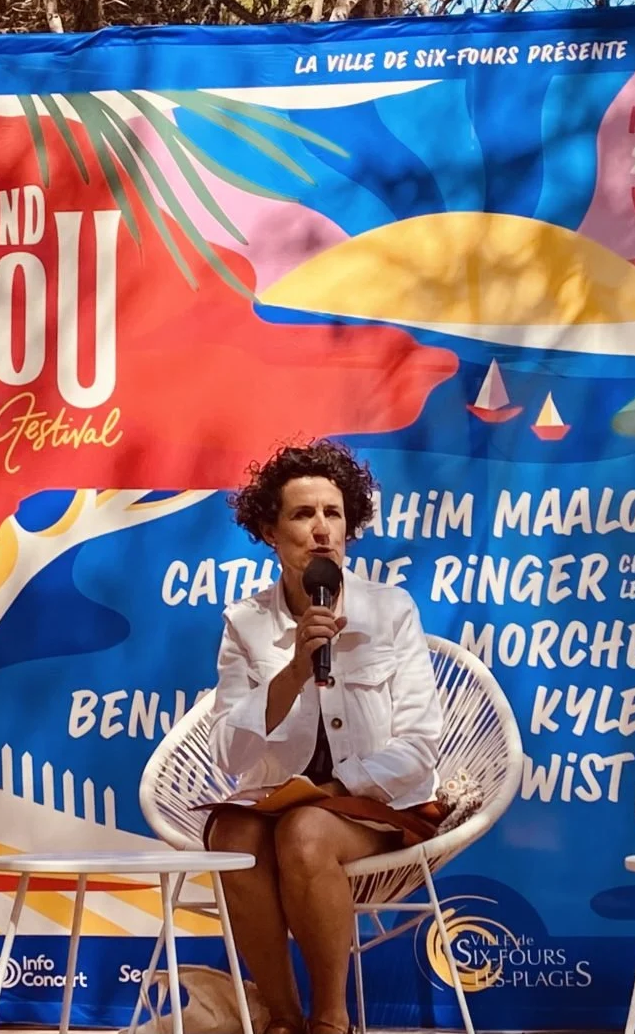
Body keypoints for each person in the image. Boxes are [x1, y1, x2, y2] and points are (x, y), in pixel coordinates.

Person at [204, 441, 445, 1034]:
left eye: (333, 513)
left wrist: (335, 790)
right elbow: (230, 753)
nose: (320, 530)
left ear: (349, 526)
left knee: (305, 829)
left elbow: (420, 748)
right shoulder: (245, 624)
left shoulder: (391, 610)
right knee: (232, 833)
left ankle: (332, 1020)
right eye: (302, 514)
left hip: (380, 808)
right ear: (270, 531)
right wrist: (291, 672)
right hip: (276, 807)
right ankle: (284, 1020)